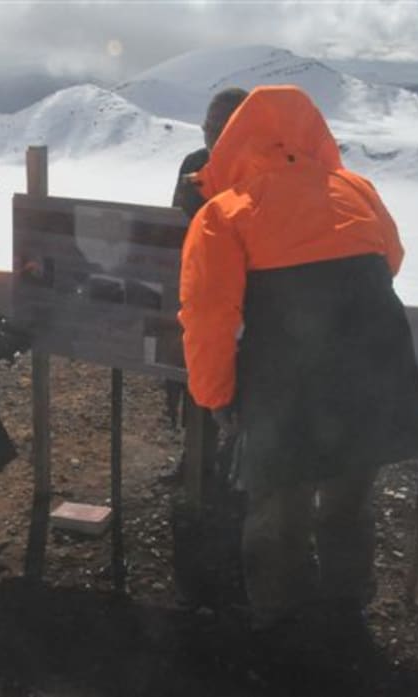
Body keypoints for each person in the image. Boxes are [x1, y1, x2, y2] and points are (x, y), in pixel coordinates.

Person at [178, 86, 418, 649]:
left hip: (287, 387)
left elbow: (208, 318)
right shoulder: (356, 188)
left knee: (277, 500)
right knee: (349, 493)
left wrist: (216, 398)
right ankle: (347, 600)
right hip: (373, 376)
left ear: (231, 140)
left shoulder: (224, 213)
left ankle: (277, 614)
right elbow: (391, 257)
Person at [162, 87, 247, 455]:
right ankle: (196, 458)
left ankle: (235, 461)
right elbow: (175, 227)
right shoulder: (194, 163)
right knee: (193, 373)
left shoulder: (257, 169)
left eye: (222, 128)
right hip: (195, 285)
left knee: (236, 380)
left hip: (242, 294)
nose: (212, 136)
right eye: (208, 127)